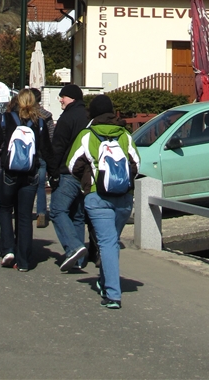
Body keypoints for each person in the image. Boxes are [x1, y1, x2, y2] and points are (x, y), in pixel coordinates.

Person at [67, 95, 140, 309]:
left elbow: (72, 165)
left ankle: (113, 294)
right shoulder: (125, 134)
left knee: (106, 243)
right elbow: (136, 163)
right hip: (124, 199)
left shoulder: (87, 135)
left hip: (97, 197)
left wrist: (89, 177)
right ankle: (106, 279)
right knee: (112, 242)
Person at [0, 88, 52, 270]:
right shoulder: (39, 123)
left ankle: (8, 249)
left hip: (9, 172)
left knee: (6, 210)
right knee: (24, 217)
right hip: (31, 173)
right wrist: (53, 173)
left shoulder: (6, 119)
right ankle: (23, 260)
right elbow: (47, 150)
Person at [48, 83, 90, 271]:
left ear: (71, 98)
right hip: (86, 174)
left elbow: (58, 147)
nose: (60, 100)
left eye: (62, 96)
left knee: (57, 210)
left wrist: (53, 171)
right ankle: (79, 260)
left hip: (68, 172)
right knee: (78, 215)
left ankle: (73, 248)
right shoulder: (89, 117)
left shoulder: (67, 118)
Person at [31, 87, 54, 227]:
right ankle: (41, 213)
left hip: (27, 155)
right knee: (40, 185)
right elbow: (51, 136)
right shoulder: (47, 116)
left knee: (26, 185)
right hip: (42, 153)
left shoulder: (26, 115)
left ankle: (25, 212)